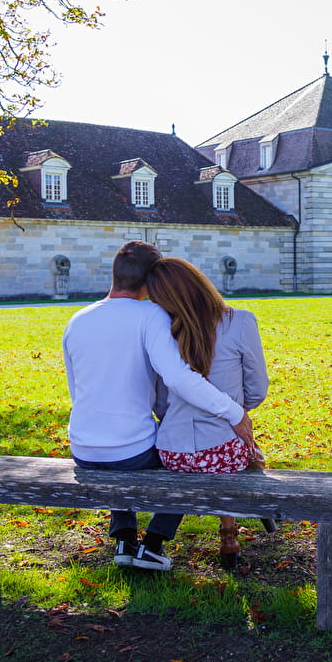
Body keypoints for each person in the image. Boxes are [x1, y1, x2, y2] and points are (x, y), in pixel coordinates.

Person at [63, 241, 254, 572]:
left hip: (81, 447)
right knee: (186, 455)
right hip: (130, 453)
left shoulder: (77, 320)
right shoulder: (151, 315)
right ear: (152, 279)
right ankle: (152, 544)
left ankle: (124, 538)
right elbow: (179, 379)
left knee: (120, 447)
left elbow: (75, 391)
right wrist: (234, 413)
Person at [146, 257, 269, 568]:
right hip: (222, 452)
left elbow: (161, 403)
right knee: (237, 441)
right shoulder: (239, 321)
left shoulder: (165, 334)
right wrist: (237, 410)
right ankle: (229, 534)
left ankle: (157, 539)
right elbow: (258, 388)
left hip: (172, 452)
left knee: (216, 451)